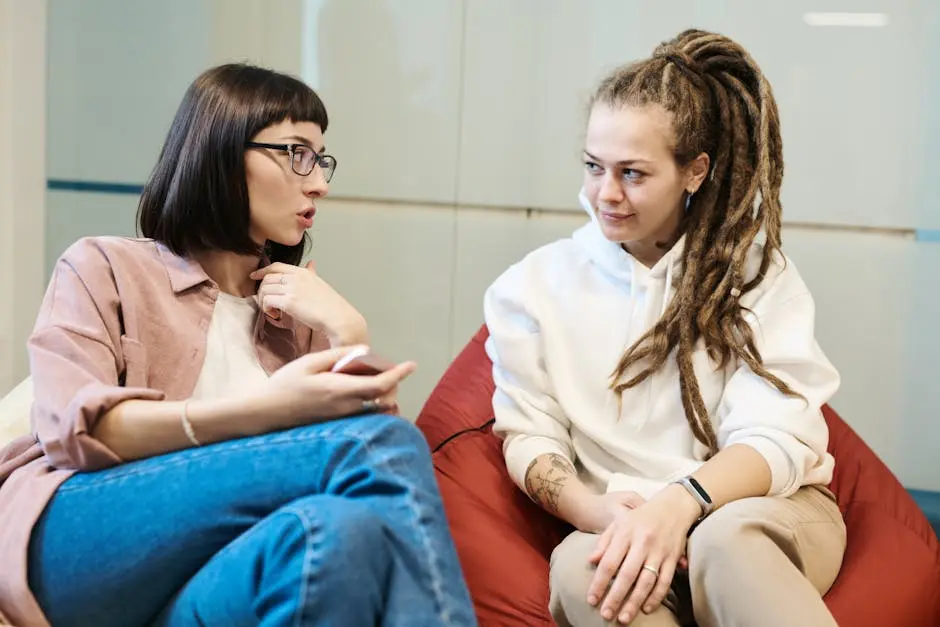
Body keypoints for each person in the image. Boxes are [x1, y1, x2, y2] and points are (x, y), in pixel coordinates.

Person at [0, 63, 476, 627]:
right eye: (297, 152)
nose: (319, 182)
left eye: (321, 160)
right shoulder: (104, 266)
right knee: (384, 444)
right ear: (222, 151)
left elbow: (368, 496)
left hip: (204, 584)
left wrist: (349, 333)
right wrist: (269, 409)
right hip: (75, 543)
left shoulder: (298, 316)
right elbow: (73, 433)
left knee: (341, 533)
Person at [483, 29, 845, 627]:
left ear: (695, 172)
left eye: (633, 173)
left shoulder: (754, 275)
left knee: (725, 543)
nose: (606, 194)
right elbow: (530, 436)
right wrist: (597, 513)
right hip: (620, 513)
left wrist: (683, 505)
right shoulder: (531, 287)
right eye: (594, 167)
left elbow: (779, 435)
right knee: (587, 572)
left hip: (757, 511)